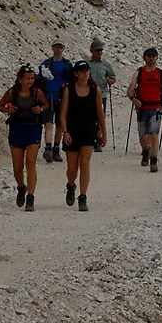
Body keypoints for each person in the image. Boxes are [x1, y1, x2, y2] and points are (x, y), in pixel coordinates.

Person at [0, 65, 51, 212]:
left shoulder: (37, 92)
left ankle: (31, 197)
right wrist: (8, 109)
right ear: (20, 79)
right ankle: (21, 187)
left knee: (30, 162)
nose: (30, 81)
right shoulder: (12, 93)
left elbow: (46, 105)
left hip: (33, 128)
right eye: (27, 78)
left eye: (32, 78)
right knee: (17, 166)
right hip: (17, 128)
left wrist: (40, 109)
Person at [57, 58, 107, 210]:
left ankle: (83, 196)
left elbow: (100, 113)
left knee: (85, 164)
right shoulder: (69, 90)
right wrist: (65, 132)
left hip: (88, 131)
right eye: (82, 71)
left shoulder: (95, 90)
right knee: (72, 169)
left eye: (87, 71)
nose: (85, 73)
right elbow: (63, 114)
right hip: (72, 132)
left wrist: (103, 132)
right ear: (76, 73)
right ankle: (71, 185)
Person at [129, 46, 162, 172]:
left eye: (153, 56)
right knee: (142, 134)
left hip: (156, 108)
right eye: (149, 56)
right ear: (144, 58)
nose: (151, 59)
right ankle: (145, 150)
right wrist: (133, 99)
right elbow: (130, 89)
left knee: (154, 133)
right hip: (142, 108)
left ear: (157, 58)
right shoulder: (139, 72)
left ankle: (153, 159)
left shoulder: (161, 74)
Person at [37, 40, 73, 161]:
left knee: (59, 124)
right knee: (49, 123)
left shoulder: (67, 64)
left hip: (61, 96)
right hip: (49, 96)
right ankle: (49, 148)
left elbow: (72, 80)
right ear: (53, 48)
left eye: (60, 47)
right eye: (56, 47)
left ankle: (55, 148)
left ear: (63, 49)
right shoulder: (46, 63)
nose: (58, 49)